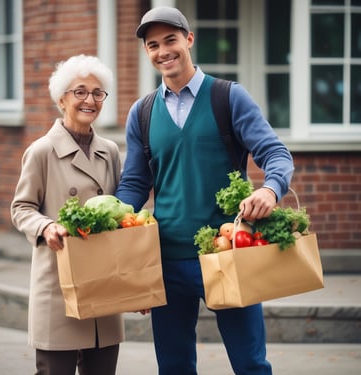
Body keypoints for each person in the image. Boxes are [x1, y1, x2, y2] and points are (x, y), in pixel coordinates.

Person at [116, 6, 294, 375]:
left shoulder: (228, 97)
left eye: (171, 40)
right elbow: (134, 184)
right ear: (147, 53)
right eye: (153, 45)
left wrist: (270, 190)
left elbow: (275, 153)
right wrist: (110, 227)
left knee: (250, 364)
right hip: (166, 260)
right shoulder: (143, 112)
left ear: (189, 39)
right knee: (174, 366)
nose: (163, 51)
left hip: (228, 252)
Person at [11, 54, 124, 375]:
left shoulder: (111, 151)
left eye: (97, 93)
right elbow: (21, 208)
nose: (90, 100)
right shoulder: (41, 151)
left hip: (103, 286)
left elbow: (120, 215)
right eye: (80, 92)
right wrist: (46, 227)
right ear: (61, 99)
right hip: (58, 286)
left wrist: (134, 282)